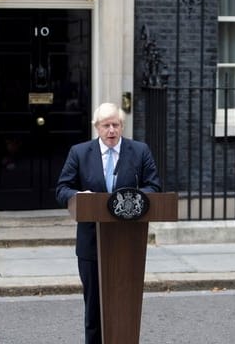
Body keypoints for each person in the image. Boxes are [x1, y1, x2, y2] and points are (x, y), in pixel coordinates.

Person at [55, 102, 161, 344]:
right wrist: (78, 197)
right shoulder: (80, 153)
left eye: (116, 124)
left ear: (122, 126)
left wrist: (133, 199)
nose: (111, 130)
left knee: (125, 306)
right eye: (106, 125)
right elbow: (62, 189)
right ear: (97, 128)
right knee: (94, 310)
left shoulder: (140, 151)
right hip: (92, 244)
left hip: (128, 241)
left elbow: (154, 187)